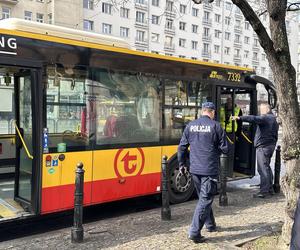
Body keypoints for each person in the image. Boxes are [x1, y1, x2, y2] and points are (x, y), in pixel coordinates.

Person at [177, 102, 228, 243]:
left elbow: (181, 148)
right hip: (209, 169)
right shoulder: (216, 126)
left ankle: (210, 225)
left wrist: (182, 164)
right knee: (205, 199)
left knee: (204, 198)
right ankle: (194, 232)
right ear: (212, 112)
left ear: (202, 111)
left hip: (195, 169)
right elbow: (225, 148)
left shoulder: (190, 125)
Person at [232, 103, 279, 198]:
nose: (260, 112)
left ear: (266, 109)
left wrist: (240, 118)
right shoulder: (273, 118)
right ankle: (269, 188)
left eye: (261, 110)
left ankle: (264, 191)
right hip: (270, 145)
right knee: (266, 167)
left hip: (263, 146)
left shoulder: (266, 118)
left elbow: (254, 118)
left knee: (262, 169)